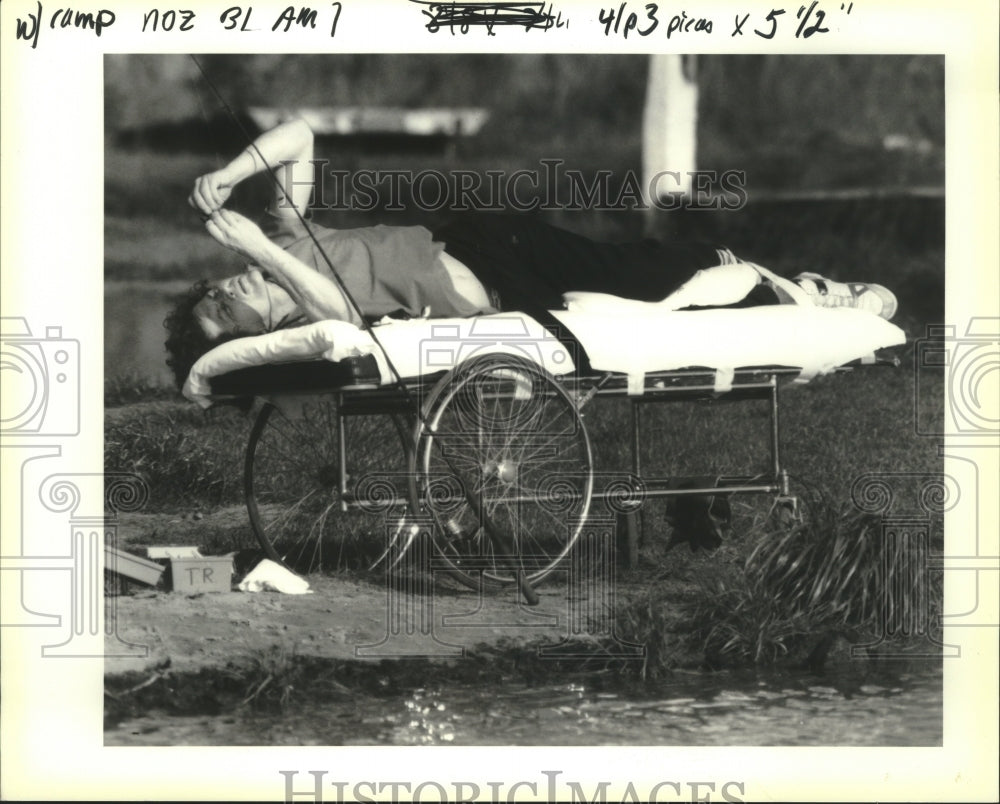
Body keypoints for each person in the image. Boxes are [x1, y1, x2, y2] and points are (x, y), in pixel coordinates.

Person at [165, 118, 897, 390]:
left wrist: (230, 173)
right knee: (641, 283)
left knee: (636, 270)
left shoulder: (289, 240)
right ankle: (799, 288)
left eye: (216, 287)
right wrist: (264, 246)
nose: (233, 282)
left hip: (485, 242)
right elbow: (345, 318)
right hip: (508, 289)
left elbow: (297, 133)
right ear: (258, 331)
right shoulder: (303, 290)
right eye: (228, 304)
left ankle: (798, 284)